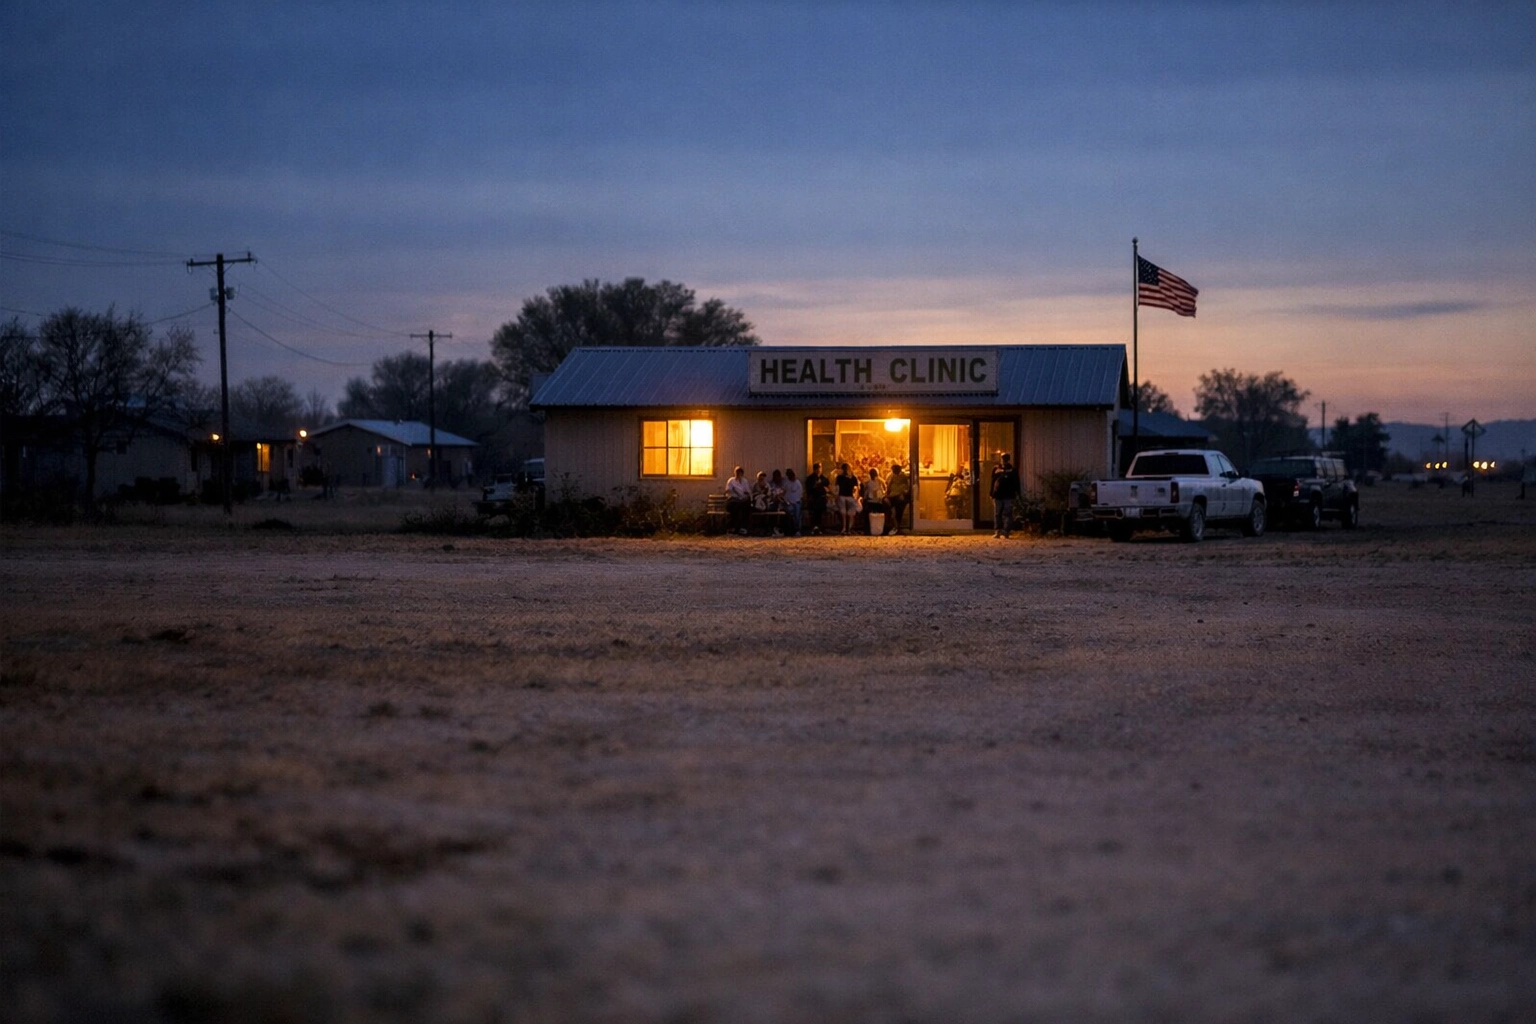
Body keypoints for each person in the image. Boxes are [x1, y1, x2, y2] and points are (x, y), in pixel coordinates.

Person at [990, 453, 1021, 537]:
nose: (1003, 461)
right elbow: (993, 481)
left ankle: (1006, 531)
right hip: (998, 494)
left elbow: (1016, 482)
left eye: (1005, 459)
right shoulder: (996, 469)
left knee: (1007, 513)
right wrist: (991, 493)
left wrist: (1018, 493)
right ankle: (998, 530)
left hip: (1009, 494)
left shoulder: (1012, 470)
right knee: (998, 513)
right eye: (1003, 459)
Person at [725, 465, 753, 535]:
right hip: (733, 500)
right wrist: (735, 495)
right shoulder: (731, 481)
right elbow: (728, 491)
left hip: (742, 500)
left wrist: (746, 496)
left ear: (742, 474)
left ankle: (743, 528)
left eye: (739, 473)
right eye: (737, 472)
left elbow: (747, 491)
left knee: (746, 507)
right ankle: (733, 527)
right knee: (734, 507)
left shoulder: (745, 481)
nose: (738, 474)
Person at [833, 462, 860, 534]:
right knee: (846, 513)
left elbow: (837, 487)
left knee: (845, 513)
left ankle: (845, 528)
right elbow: (856, 488)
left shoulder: (841, 477)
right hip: (846, 496)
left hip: (845, 496)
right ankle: (847, 528)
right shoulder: (851, 477)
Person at [884, 463, 911, 534]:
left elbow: (888, 486)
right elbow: (906, 489)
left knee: (894, 510)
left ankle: (894, 525)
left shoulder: (894, 477)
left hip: (895, 497)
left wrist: (887, 494)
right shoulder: (902, 477)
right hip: (896, 497)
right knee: (897, 511)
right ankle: (895, 525)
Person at [804, 462, 830, 534]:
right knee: (814, 514)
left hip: (822, 499)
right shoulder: (810, 479)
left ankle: (820, 528)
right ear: (814, 469)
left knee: (821, 514)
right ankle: (814, 528)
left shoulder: (824, 478)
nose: (818, 470)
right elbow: (808, 489)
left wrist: (825, 489)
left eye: (820, 468)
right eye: (817, 468)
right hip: (814, 499)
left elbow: (828, 488)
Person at [860, 467, 887, 535]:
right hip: (879, 501)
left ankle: (868, 530)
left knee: (867, 516)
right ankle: (881, 529)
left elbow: (865, 491)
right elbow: (884, 489)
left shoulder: (868, 482)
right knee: (880, 515)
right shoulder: (880, 481)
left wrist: (864, 498)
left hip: (870, 501)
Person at [782, 467, 804, 535]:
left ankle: (797, 530)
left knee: (797, 516)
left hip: (797, 502)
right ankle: (791, 530)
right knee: (791, 516)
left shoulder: (797, 483)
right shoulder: (786, 483)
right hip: (789, 503)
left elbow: (800, 493)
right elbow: (783, 491)